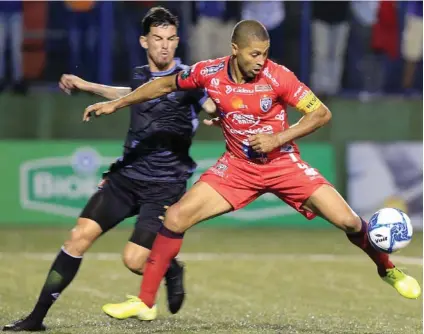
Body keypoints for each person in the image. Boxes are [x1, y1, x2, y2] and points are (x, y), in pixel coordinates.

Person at [82, 19, 421, 321]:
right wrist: (116, 103)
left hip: (283, 165)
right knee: (174, 218)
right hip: (237, 169)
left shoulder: (279, 76)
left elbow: (321, 114)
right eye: (255, 54)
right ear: (235, 50)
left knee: (348, 221)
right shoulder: (208, 72)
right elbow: (165, 84)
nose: (261, 61)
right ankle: (145, 302)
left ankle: (388, 270)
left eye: (265, 53)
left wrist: (279, 137)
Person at [3, 7, 216, 332]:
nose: (165, 46)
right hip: (125, 177)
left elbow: (213, 103)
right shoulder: (138, 74)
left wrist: (221, 113)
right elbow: (130, 95)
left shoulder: (188, 79)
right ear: (144, 41)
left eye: (171, 39)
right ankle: (36, 319)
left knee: (134, 261)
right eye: (158, 39)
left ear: (177, 41)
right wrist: (86, 85)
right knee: (78, 237)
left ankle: (170, 268)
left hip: (164, 186)